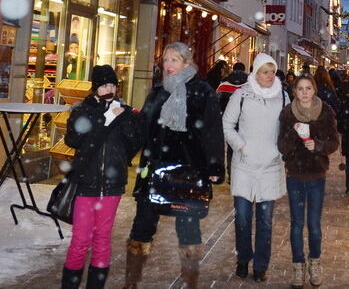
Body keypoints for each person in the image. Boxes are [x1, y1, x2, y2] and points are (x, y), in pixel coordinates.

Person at [125, 43, 224, 289]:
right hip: (154, 168)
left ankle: (191, 281)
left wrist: (215, 167)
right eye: (166, 60)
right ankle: (131, 281)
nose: (168, 65)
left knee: (188, 228)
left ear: (187, 63)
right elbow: (143, 129)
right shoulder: (158, 92)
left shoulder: (202, 91)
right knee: (142, 225)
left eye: (174, 60)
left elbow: (212, 131)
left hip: (187, 171)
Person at [60, 65, 143, 289]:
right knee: (80, 240)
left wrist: (125, 120)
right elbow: (73, 141)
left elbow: (134, 144)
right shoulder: (82, 110)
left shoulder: (123, 111)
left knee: (102, 239)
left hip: (112, 184)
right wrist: (105, 120)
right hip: (86, 183)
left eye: (113, 85)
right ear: (95, 87)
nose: (109, 89)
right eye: (104, 85)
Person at [222, 53, 289, 283]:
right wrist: (241, 146)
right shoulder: (241, 95)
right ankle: (243, 258)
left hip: (270, 166)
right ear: (256, 73)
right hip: (244, 166)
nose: (269, 76)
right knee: (242, 218)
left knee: (265, 221)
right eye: (265, 71)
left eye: (272, 71)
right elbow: (227, 124)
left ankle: (261, 265)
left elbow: (289, 127)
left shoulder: (283, 96)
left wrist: (281, 150)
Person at [278, 76, 340, 288]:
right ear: (294, 91)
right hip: (295, 173)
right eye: (300, 89)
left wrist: (318, 145)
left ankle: (315, 262)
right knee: (296, 224)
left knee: (314, 224)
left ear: (314, 90)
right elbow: (281, 146)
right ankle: (298, 265)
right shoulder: (287, 113)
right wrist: (295, 136)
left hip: (316, 174)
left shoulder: (326, 112)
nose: (304, 92)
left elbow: (334, 142)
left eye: (308, 88)